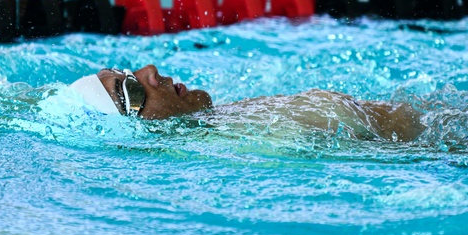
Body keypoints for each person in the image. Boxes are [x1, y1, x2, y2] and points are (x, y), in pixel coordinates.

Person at [70, 64, 425, 142]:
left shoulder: (221, 123)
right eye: (131, 90)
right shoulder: (248, 140)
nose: (150, 71)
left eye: (125, 70)